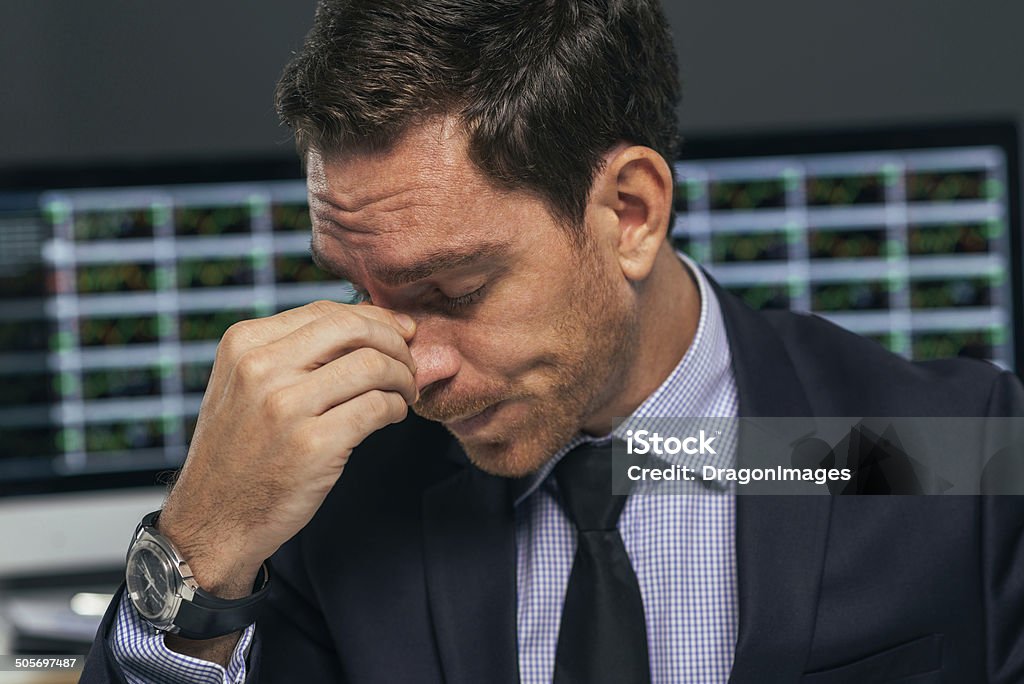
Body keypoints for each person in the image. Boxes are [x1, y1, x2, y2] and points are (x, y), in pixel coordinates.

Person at [82, 1, 1024, 682]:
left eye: (455, 289)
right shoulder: (327, 501)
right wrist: (199, 546)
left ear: (630, 213)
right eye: (359, 292)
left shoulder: (945, 445)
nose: (416, 371)